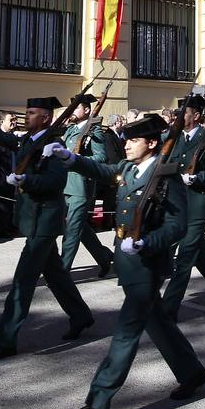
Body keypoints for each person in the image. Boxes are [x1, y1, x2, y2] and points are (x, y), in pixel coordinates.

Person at [53, 113, 205, 409]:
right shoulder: (127, 168)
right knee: (157, 322)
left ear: (151, 143)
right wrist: (71, 157)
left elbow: (178, 225)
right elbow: (102, 169)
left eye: (133, 139)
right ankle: (191, 372)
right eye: (125, 138)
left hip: (147, 265)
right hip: (128, 263)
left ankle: (97, 406)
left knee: (125, 334)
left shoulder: (166, 176)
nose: (125, 144)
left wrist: (147, 242)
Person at [0, 95, 95, 358]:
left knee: (23, 282)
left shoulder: (53, 144)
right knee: (55, 274)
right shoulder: (29, 140)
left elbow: (55, 182)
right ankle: (81, 315)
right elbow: (5, 140)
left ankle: (5, 340)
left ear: (46, 118)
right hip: (33, 219)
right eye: (26, 112)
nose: (26, 116)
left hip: (45, 220)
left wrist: (25, 180)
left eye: (32, 113)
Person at [160, 94, 205, 321]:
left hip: (197, 205)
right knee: (197, 253)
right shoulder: (175, 137)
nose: (179, 116)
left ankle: (168, 309)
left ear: (197, 115)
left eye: (184, 112)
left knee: (184, 259)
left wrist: (197, 178)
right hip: (176, 204)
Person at [59, 94, 114, 278]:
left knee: (72, 231)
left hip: (81, 187)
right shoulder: (71, 129)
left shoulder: (95, 131)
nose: (73, 111)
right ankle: (104, 257)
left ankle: (61, 272)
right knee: (81, 228)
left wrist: (77, 159)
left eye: (76, 107)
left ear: (87, 110)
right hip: (65, 184)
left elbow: (101, 158)